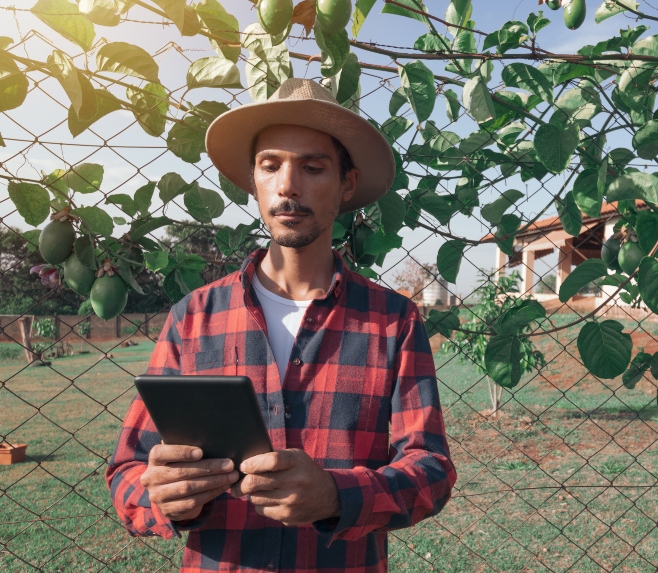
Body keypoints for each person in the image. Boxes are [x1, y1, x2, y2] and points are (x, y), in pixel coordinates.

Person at [106, 78, 457, 572]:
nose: (288, 186)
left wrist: (337, 496)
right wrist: (162, 496)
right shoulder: (194, 317)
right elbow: (127, 469)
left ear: (347, 184)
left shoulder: (393, 320)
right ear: (254, 180)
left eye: (313, 168)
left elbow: (431, 471)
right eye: (270, 166)